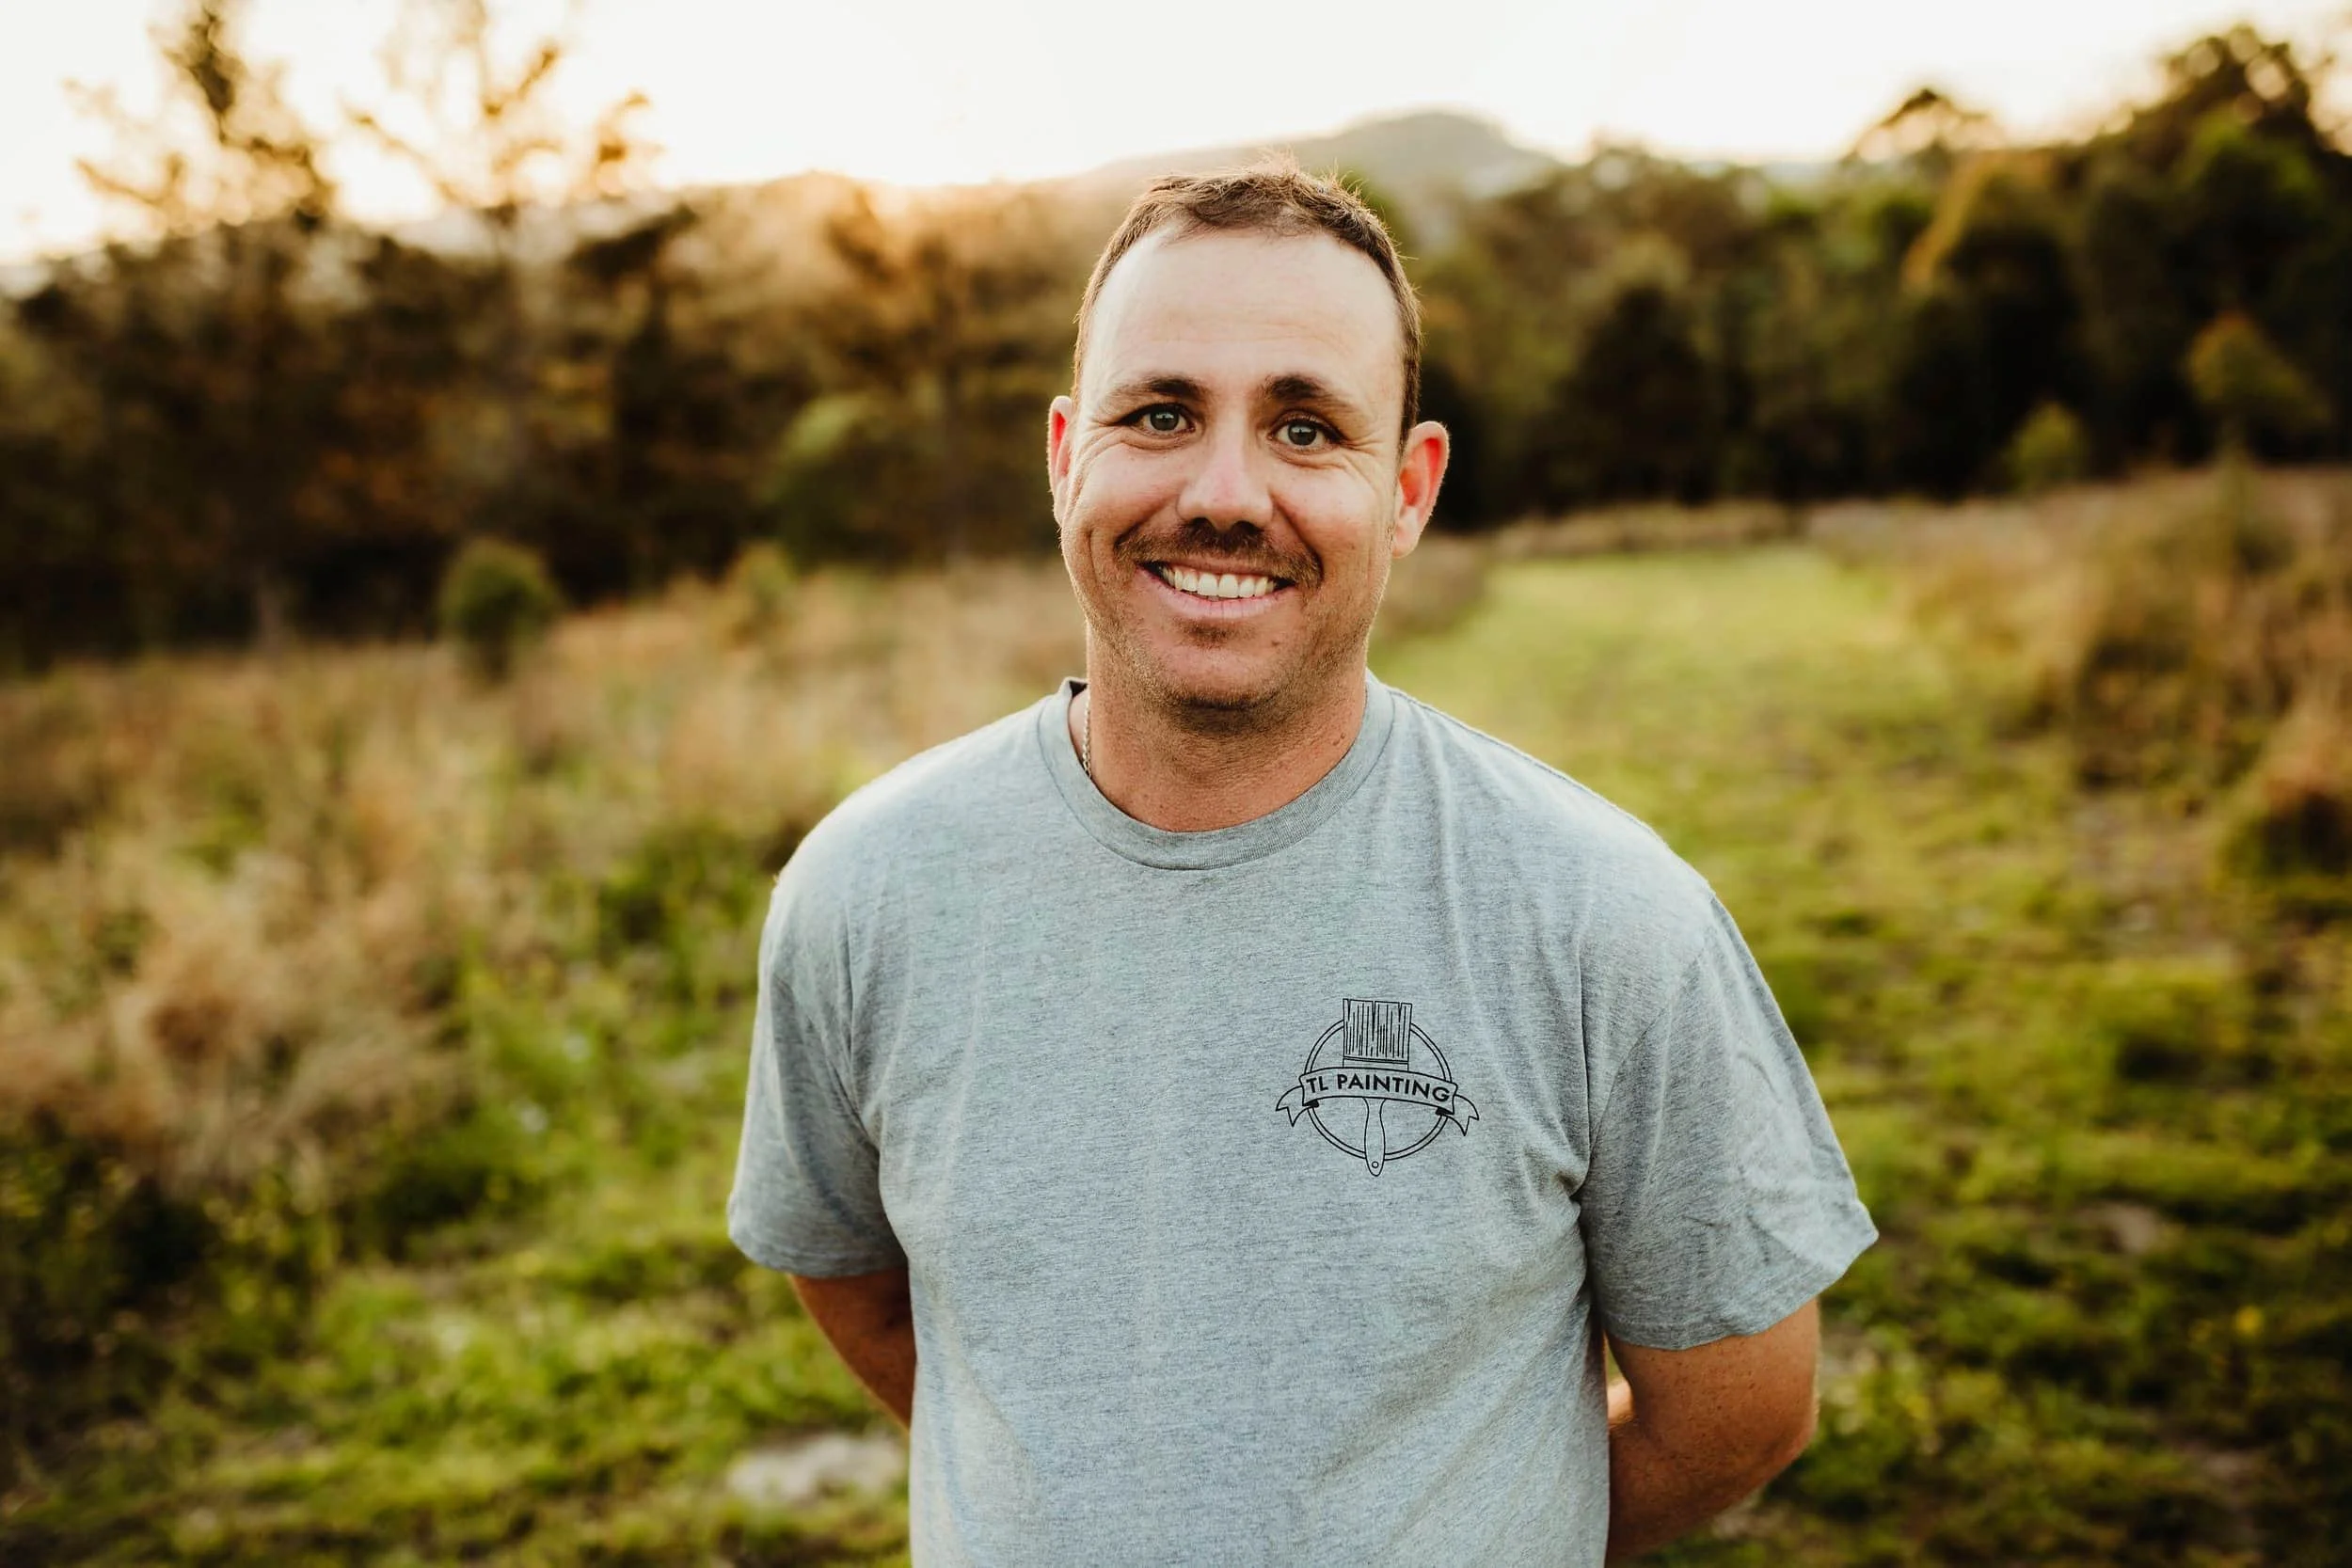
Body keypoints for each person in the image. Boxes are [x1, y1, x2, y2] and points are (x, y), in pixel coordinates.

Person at [728, 161, 1877, 1566]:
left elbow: (1738, 1410)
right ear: (1060, 455)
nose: (1223, 492)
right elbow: (856, 1284)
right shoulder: (863, 891)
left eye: (1304, 426)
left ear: (1408, 489)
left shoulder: (1610, 921)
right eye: (1158, 413)